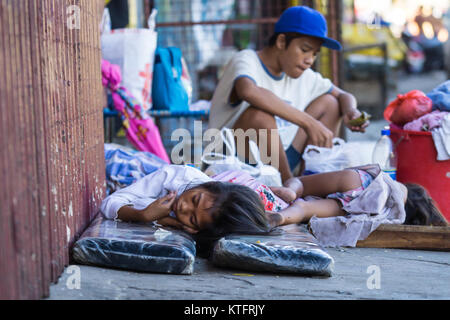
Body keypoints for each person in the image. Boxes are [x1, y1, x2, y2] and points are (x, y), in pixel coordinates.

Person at [208, 6, 370, 183]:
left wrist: (350, 111)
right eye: (305, 49)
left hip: (282, 158)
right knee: (259, 116)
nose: (309, 60)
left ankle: (309, 179)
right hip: (234, 163)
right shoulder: (246, 59)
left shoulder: (302, 74)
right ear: (281, 42)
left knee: (330, 103)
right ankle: (288, 186)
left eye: (314, 54)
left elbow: (343, 95)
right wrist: (309, 123)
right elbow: (248, 91)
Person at [100, 165, 272, 236]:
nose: (183, 207)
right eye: (195, 199)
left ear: (195, 229)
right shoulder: (178, 176)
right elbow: (109, 203)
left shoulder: (209, 226)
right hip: (245, 181)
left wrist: (167, 221)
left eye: (192, 219)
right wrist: (143, 215)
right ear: (209, 184)